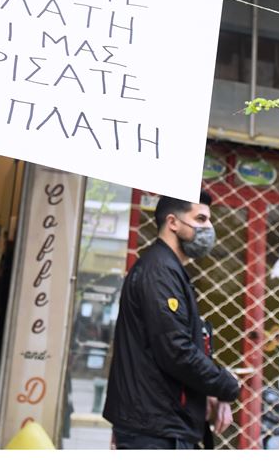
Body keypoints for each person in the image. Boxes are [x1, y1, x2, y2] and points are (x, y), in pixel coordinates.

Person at [103, 191, 240, 449]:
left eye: (209, 220)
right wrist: (226, 384)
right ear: (173, 222)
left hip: (160, 424)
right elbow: (176, 350)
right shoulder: (160, 272)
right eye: (200, 219)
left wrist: (208, 390)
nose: (209, 228)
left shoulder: (168, 270)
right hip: (154, 430)